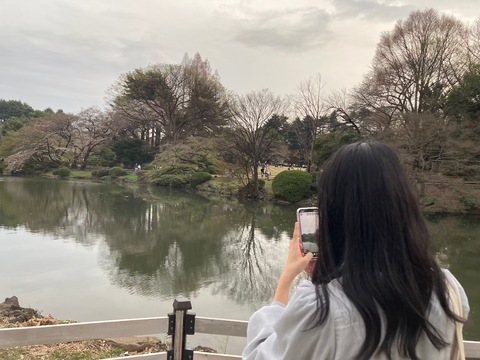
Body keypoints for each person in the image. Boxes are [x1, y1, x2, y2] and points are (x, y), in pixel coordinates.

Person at [243, 141, 469, 360]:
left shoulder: (320, 309)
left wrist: (286, 281)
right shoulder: (448, 290)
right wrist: (324, 279)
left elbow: (259, 355)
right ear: (404, 207)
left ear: (331, 216)